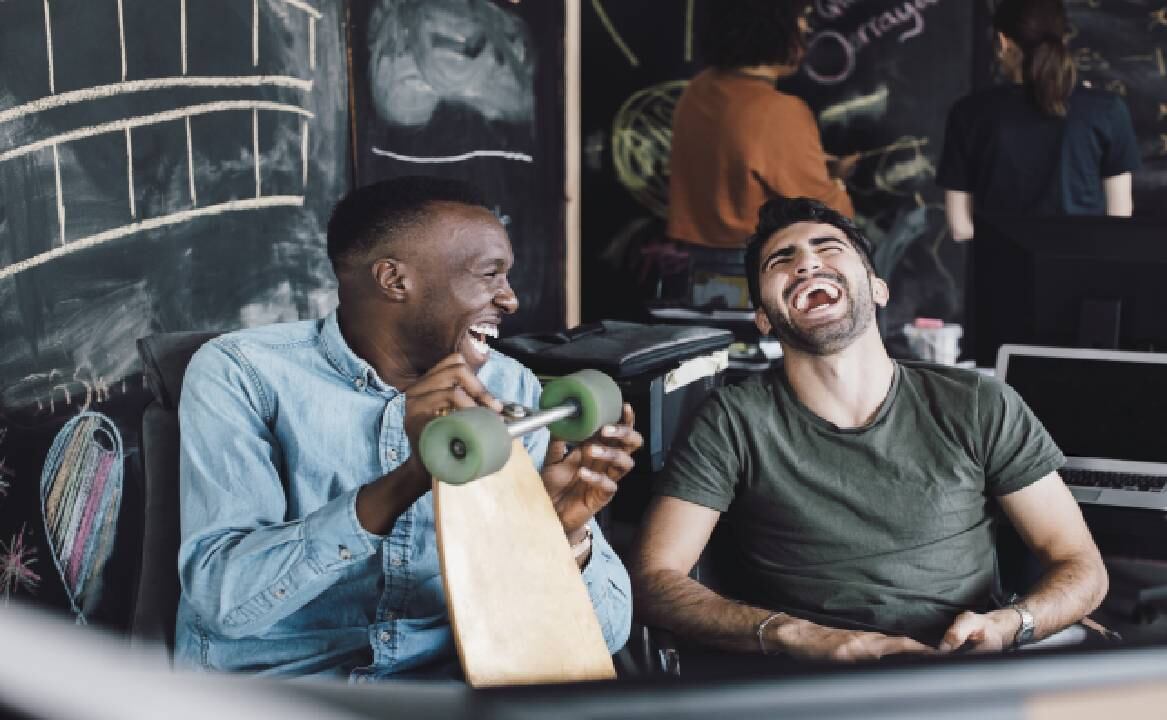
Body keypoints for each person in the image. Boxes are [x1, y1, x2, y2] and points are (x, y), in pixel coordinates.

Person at [175, 176, 642, 680]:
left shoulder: (513, 390)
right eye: (490, 275)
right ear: (395, 281)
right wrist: (411, 475)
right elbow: (224, 603)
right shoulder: (244, 373)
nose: (510, 300)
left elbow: (608, 635)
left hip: (443, 690)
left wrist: (562, 534)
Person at [633, 196, 1107, 662]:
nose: (806, 263)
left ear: (878, 289)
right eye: (782, 259)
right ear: (762, 318)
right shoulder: (731, 421)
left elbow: (1081, 564)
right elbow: (656, 579)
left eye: (829, 248)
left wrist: (1010, 624)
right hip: (821, 685)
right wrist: (800, 637)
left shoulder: (979, 403)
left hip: (963, 666)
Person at [937, 0, 1140, 241]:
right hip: (1084, 272)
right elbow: (1120, 216)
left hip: (998, 272)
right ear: (1064, 38)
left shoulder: (968, 113)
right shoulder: (1108, 110)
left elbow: (960, 228)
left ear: (1003, 42)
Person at [665, 0, 856, 251]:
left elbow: (736, 165)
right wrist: (838, 182)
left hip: (695, 273)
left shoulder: (698, 89)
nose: (807, 28)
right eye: (801, 18)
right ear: (774, 27)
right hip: (756, 273)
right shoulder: (778, 112)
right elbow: (826, 216)